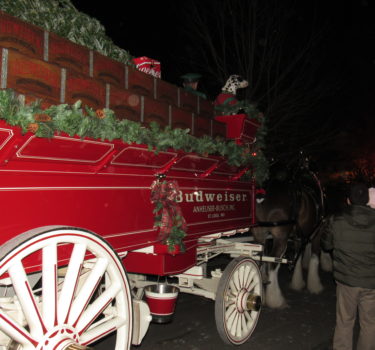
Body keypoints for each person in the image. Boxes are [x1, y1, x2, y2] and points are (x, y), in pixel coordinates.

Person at [321, 182, 375, 350]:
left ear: (348, 200)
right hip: (372, 282)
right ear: (367, 200)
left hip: (347, 281)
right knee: (370, 324)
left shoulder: (336, 219)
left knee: (345, 322)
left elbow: (326, 245)